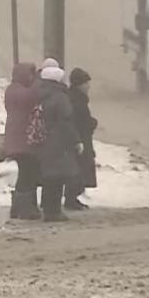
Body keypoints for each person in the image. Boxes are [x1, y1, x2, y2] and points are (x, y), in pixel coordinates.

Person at [35, 62, 82, 222]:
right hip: (58, 141)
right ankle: (54, 211)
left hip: (43, 138)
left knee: (48, 176)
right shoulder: (60, 97)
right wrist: (76, 141)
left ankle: (48, 209)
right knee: (58, 177)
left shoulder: (39, 94)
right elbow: (66, 121)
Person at [4, 62, 42, 220]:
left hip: (17, 138)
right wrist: (38, 82)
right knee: (28, 174)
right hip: (23, 139)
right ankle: (25, 208)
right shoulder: (18, 91)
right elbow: (32, 97)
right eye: (31, 74)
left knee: (26, 173)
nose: (32, 78)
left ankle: (19, 208)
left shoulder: (12, 90)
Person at [65, 67, 98, 210]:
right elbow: (79, 120)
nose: (88, 86)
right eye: (86, 83)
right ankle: (71, 198)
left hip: (80, 138)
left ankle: (72, 197)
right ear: (79, 84)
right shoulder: (77, 100)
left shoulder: (76, 98)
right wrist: (92, 123)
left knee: (79, 168)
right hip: (79, 139)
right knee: (78, 168)